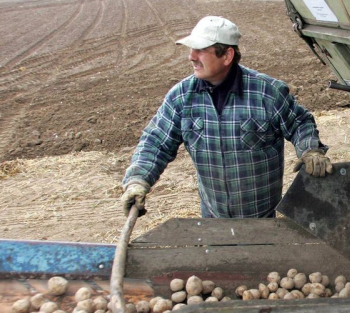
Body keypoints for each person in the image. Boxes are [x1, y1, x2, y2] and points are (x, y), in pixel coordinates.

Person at [121, 16, 332, 218]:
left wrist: (310, 150)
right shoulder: (182, 97)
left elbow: (299, 123)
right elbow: (156, 142)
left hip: (260, 219)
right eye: (192, 49)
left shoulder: (267, 93)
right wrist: (138, 180)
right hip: (213, 217)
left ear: (227, 56)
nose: (191, 56)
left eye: (201, 50)